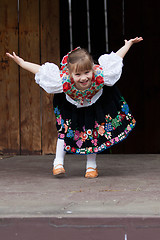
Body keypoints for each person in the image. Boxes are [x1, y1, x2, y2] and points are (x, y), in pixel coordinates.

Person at [6, 37, 143, 178]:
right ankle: (58, 163)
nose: (83, 78)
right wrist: (22, 63)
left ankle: (91, 167)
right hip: (71, 104)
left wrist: (128, 44)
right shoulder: (62, 80)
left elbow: (116, 58)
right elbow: (40, 71)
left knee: (92, 131)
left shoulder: (101, 74)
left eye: (87, 73)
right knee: (65, 130)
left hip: (93, 103)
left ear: (92, 68)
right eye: (78, 74)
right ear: (70, 74)